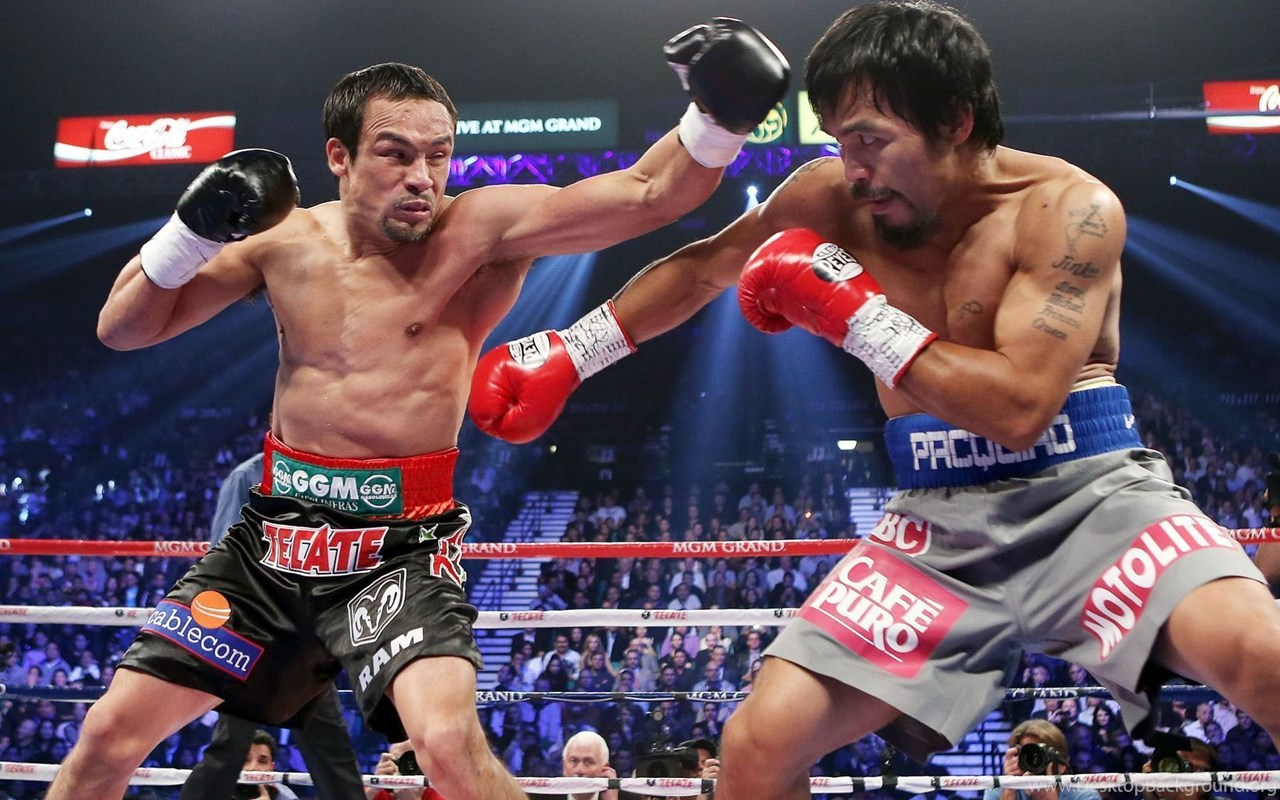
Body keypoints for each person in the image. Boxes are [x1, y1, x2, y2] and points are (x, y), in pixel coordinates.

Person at [467, 2, 1280, 799]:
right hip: (937, 520)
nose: (852, 167)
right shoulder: (831, 198)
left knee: (1266, 659)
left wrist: (856, 315)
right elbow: (706, 268)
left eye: (870, 140)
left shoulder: (1068, 211)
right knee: (758, 745)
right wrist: (573, 351)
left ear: (955, 121)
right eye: (838, 140)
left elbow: (1018, 408)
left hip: (1094, 498)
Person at [53, 20, 789, 800]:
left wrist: (720, 116)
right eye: (396, 154)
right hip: (271, 544)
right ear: (339, 156)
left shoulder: (480, 233)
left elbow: (650, 193)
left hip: (401, 548)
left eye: (438, 156)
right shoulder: (284, 240)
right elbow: (123, 328)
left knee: (446, 745)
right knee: (106, 735)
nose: (422, 178)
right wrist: (189, 232)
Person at [181, 451, 365, 800]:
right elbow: (222, 558)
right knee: (232, 747)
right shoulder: (246, 477)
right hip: (253, 634)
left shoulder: (322, 477)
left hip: (305, 635)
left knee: (330, 748)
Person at [983, 720, 1100, 800]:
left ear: (1063, 763)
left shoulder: (1085, 795)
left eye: (1041, 754)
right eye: (1028, 753)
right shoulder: (996, 791)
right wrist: (1010, 786)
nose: (1035, 760)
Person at [365, 739, 447, 800]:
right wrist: (375, 785)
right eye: (398, 760)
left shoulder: (442, 793)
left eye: (411, 760)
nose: (406, 766)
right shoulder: (375, 793)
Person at [556, 729, 619, 800]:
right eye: (574, 761)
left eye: (589, 762)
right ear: (564, 766)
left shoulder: (625, 797)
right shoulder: (547, 795)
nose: (580, 770)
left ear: (605, 769)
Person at [236, 730, 298, 800]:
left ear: (272, 767)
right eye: (245, 760)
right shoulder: (225, 787)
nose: (253, 768)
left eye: (262, 761)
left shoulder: (288, 797)